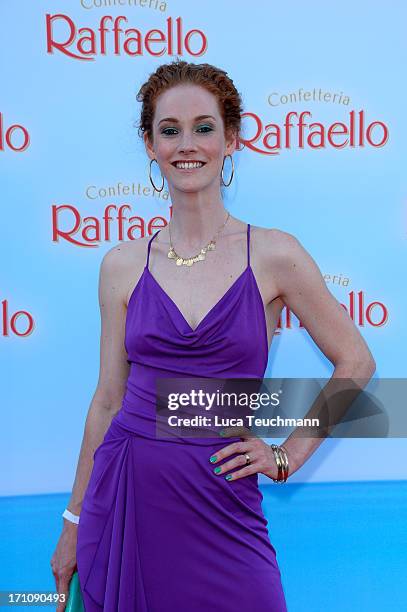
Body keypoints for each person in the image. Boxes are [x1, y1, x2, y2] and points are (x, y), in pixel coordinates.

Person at [50, 60, 376, 611]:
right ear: (149, 145)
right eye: (169, 130)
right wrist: (73, 521)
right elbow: (107, 400)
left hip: (225, 502)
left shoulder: (275, 254)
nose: (187, 145)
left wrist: (288, 456)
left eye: (204, 127)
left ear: (232, 139)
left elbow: (357, 361)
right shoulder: (122, 265)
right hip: (130, 494)